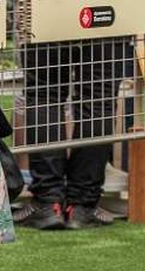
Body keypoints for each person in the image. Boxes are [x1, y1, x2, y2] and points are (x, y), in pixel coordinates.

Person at [21, 39, 132, 229]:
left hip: (47, 14)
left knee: (44, 93)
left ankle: (49, 203)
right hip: (109, 16)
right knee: (99, 97)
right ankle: (81, 206)